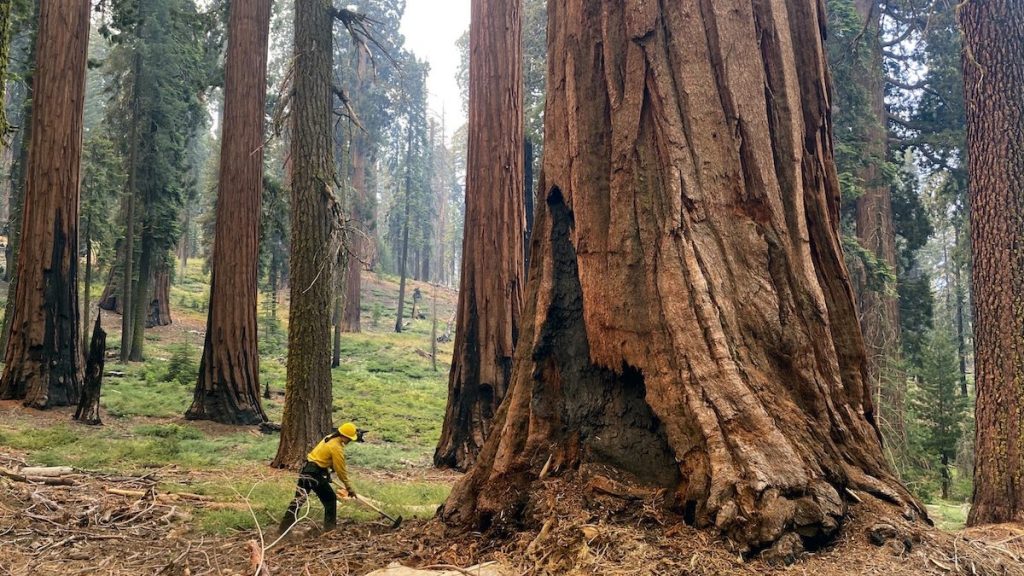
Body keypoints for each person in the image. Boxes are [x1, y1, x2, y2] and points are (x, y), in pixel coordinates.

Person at [279, 422, 359, 534]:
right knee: (330, 499)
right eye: (349, 439)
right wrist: (349, 488)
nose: (349, 441)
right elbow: (341, 470)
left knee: (298, 500)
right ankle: (329, 530)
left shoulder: (329, 438)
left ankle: (283, 529)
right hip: (314, 475)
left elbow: (322, 457)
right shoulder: (336, 448)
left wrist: (327, 474)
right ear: (344, 436)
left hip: (306, 469)